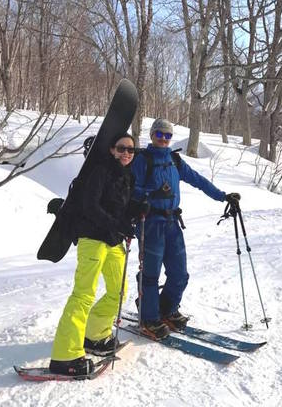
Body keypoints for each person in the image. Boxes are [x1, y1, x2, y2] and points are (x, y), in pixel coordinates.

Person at [131, 118, 240, 340]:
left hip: (172, 224)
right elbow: (131, 189)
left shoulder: (175, 160)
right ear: (152, 135)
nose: (163, 139)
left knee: (180, 274)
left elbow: (198, 180)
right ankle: (148, 317)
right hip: (150, 224)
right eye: (159, 134)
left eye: (167, 136)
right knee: (150, 275)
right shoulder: (142, 159)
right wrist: (148, 197)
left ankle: (167, 309)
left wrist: (223, 196)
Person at [49, 133, 138, 376]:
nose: (127, 153)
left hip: (113, 240)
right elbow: (90, 205)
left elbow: (119, 208)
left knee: (118, 291)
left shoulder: (126, 175)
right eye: (122, 148)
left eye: (131, 150)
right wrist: (114, 224)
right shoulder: (100, 171)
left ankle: (95, 335)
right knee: (83, 295)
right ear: (112, 150)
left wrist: (135, 211)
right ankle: (64, 355)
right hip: (93, 238)